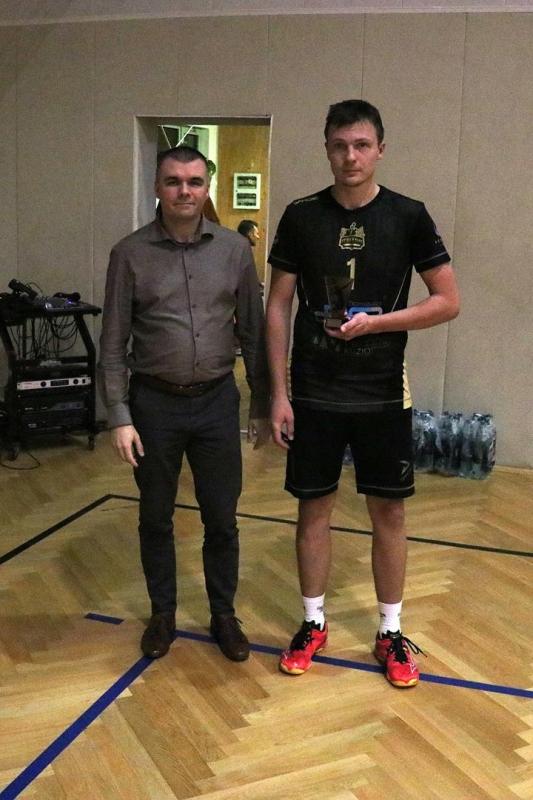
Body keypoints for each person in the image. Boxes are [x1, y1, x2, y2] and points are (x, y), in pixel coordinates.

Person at [266, 99, 459, 688]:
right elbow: (277, 306)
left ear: (380, 149)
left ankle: (390, 631)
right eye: (339, 145)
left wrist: (377, 324)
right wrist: (278, 394)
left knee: (389, 512)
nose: (350, 156)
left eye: (361, 145)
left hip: (381, 393)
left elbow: (447, 301)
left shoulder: (409, 215)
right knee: (313, 508)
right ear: (326, 149)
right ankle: (312, 621)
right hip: (314, 391)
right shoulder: (301, 216)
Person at [98, 145, 270, 662]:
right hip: (154, 406)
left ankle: (224, 615)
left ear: (206, 187)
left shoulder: (234, 250)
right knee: (155, 517)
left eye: (195, 181)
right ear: (157, 187)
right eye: (173, 181)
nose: (184, 191)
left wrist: (261, 404)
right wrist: (119, 417)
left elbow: (254, 333)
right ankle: (163, 614)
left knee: (222, 517)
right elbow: (112, 343)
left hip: (217, 403)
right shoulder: (128, 254)